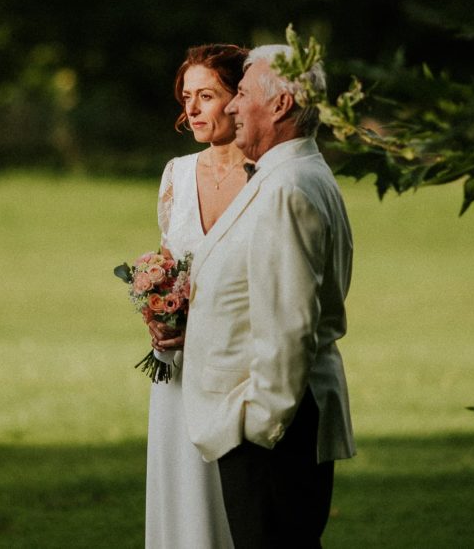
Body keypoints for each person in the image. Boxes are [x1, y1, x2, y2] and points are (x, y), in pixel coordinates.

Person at [181, 44, 356, 548]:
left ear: (280, 105)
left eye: (242, 93)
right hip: (276, 426)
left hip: (274, 431)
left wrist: (259, 425)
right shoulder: (293, 176)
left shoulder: (288, 188)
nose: (232, 107)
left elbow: (290, 324)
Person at [144, 43, 249, 549]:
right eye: (188, 97)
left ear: (240, 98)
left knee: (240, 507)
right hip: (178, 371)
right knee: (182, 498)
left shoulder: (266, 177)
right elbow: (169, 265)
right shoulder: (176, 175)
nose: (192, 109)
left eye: (207, 95)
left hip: (238, 368)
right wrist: (156, 309)